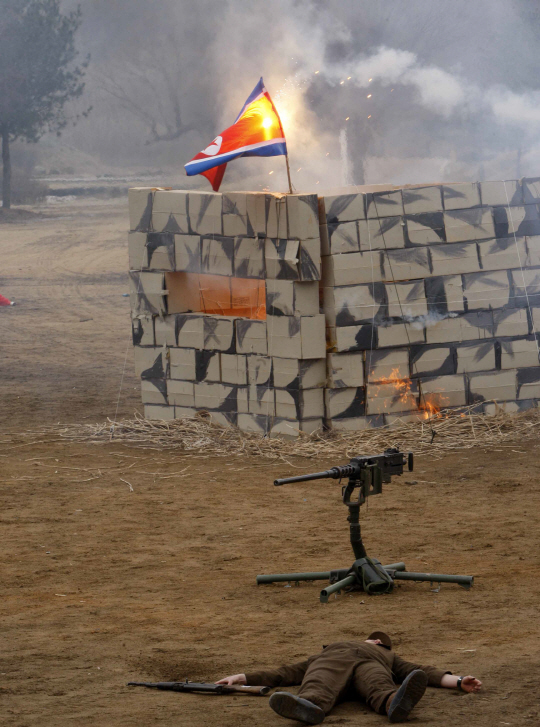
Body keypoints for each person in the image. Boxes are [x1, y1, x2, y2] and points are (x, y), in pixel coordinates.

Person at [216, 631, 482, 724]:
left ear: (379, 643)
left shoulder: (387, 656)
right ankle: (308, 707)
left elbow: (425, 672)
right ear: (373, 639)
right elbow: (284, 673)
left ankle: (394, 704)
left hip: (369, 666)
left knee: (380, 685)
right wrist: (242, 677)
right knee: (317, 682)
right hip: (331, 663)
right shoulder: (330, 649)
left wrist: (459, 680)